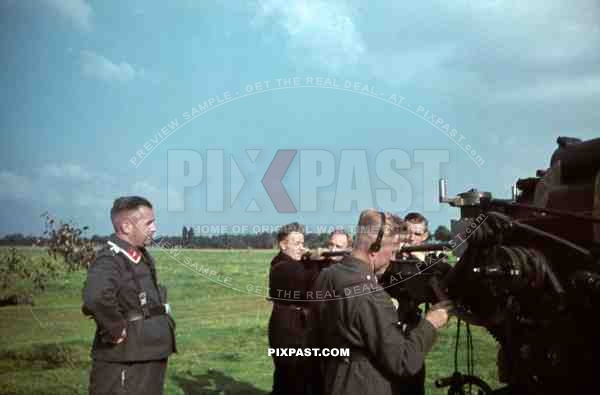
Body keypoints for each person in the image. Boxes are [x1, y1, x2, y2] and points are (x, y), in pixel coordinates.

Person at [310, 209, 452, 395]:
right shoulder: (372, 295)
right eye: (393, 250)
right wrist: (431, 323)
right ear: (375, 248)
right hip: (364, 385)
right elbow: (403, 361)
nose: (393, 257)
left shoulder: (326, 275)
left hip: (333, 379)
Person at [82, 196, 176, 395]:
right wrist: (115, 328)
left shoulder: (137, 255)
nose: (154, 228)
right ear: (126, 226)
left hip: (145, 352)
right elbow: (95, 296)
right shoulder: (111, 258)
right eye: (148, 222)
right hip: (127, 357)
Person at [267, 222, 321, 395]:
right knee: (290, 377)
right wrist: (316, 261)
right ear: (283, 245)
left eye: (302, 243)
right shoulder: (281, 266)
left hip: (296, 325)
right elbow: (308, 281)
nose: (301, 248)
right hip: (286, 329)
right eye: (296, 243)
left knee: (296, 378)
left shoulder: (295, 263)